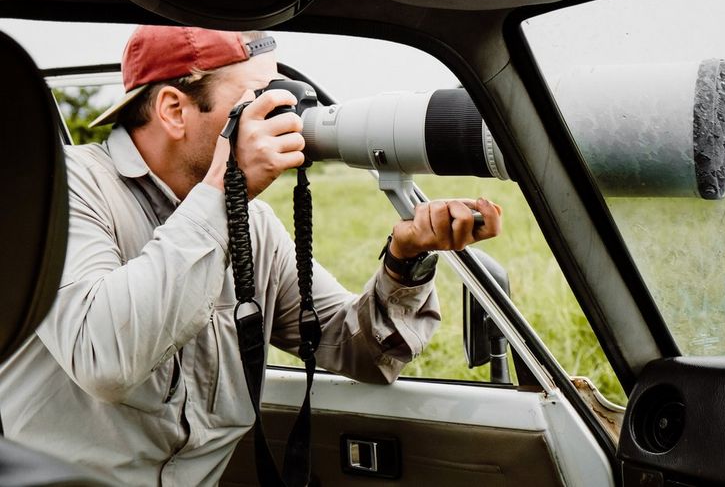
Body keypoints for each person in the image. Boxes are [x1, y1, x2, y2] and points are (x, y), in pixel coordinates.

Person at [0, 26, 502, 485]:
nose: (282, 117)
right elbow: (103, 357)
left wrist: (404, 259)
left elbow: (358, 352)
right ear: (174, 109)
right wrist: (222, 192)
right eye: (258, 101)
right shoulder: (62, 189)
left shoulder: (252, 226)